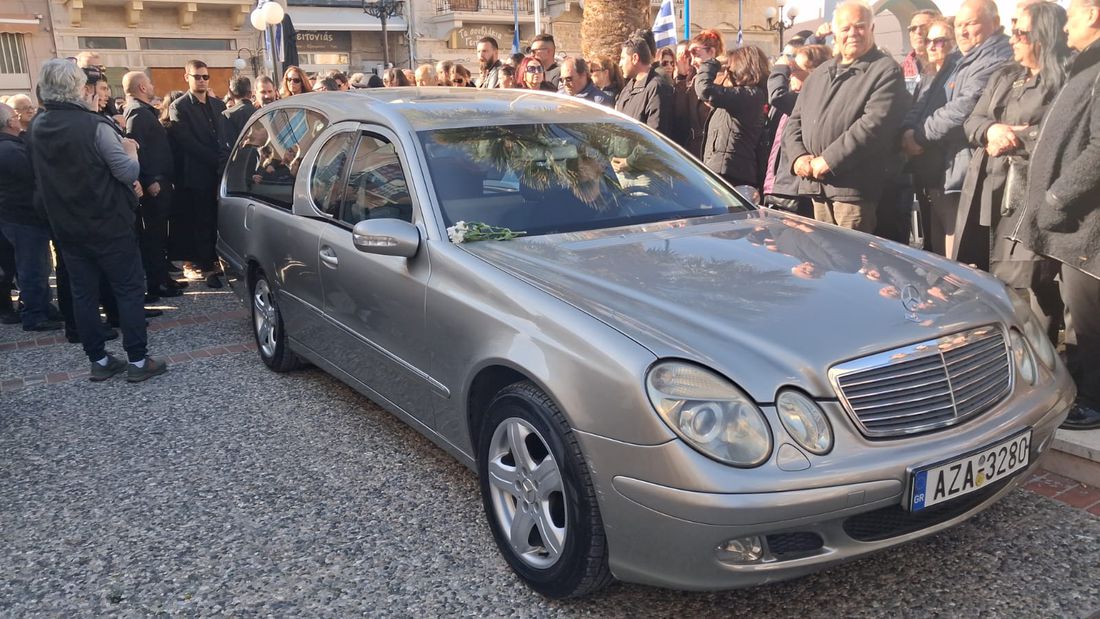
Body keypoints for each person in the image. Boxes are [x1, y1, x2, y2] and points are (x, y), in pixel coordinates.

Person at [30, 59, 168, 381]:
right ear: (78, 88)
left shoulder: (38, 125)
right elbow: (127, 171)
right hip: (108, 222)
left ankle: (99, 360)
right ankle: (137, 361)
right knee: (128, 290)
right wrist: (131, 150)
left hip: (66, 224)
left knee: (83, 294)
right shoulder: (94, 126)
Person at [956, 1, 1070, 345]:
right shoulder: (1006, 74)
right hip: (987, 190)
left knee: (1034, 285)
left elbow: (1065, 132)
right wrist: (991, 130)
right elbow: (973, 120)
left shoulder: (1065, 78)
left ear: (1043, 37)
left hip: (1027, 195)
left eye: (1021, 32)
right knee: (988, 276)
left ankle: (1041, 357)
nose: (1013, 38)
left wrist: (1020, 137)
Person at [1012, 0, 1100, 430]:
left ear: (1094, 14)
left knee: (1090, 321)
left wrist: (1056, 198)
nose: (1065, 26)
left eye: (1074, 14)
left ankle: (1095, 402)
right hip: (1073, 226)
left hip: (1087, 227)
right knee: (1078, 319)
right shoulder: (1086, 65)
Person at [783, 0, 909, 233]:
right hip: (815, 186)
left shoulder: (885, 70)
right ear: (835, 33)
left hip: (853, 191)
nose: (853, 33)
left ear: (872, 28)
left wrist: (828, 160)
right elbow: (794, 122)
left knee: (852, 254)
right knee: (821, 252)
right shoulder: (820, 73)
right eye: (845, 28)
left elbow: (874, 125)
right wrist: (798, 157)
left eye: (860, 26)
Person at [901, 0, 1013, 263]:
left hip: (962, 171)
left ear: (995, 23)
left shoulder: (992, 58)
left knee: (956, 263)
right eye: (960, 25)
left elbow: (962, 108)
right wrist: (908, 131)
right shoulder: (962, 61)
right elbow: (923, 105)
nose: (963, 31)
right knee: (939, 258)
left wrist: (919, 136)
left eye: (970, 24)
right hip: (941, 171)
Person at [169, 59, 228, 288]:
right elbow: (187, 142)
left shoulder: (218, 105)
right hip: (197, 173)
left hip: (219, 171)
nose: (202, 80)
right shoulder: (179, 106)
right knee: (201, 219)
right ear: (187, 77)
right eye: (197, 76)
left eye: (205, 76)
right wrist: (216, 159)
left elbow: (224, 136)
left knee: (217, 218)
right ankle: (206, 267)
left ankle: (217, 260)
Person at [0, 102, 59, 331]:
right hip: (23, 217)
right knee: (32, 268)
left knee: (40, 265)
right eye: (15, 116)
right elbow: (34, 176)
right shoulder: (10, 150)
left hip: (21, 216)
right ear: (10, 122)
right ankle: (34, 314)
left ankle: (43, 306)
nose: (18, 118)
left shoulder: (12, 146)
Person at [123, 71, 181, 302]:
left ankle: (164, 277)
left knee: (160, 234)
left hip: (160, 179)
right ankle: (157, 283)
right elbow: (135, 149)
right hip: (153, 183)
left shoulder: (143, 111)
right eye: (149, 82)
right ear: (142, 87)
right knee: (154, 236)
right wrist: (148, 180)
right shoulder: (137, 113)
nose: (152, 85)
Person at [903, 19, 960, 252]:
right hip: (924, 168)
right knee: (932, 243)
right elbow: (915, 109)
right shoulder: (928, 76)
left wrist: (918, 137)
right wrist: (908, 132)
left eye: (940, 41)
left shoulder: (958, 73)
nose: (932, 46)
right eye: (929, 41)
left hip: (948, 169)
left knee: (950, 243)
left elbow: (952, 114)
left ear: (953, 41)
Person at [763, 44, 833, 217]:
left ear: (814, 73)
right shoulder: (792, 99)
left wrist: (780, 68)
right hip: (776, 185)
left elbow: (777, 95)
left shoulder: (812, 99)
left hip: (793, 190)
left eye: (793, 70)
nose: (789, 75)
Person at [694, 40, 769, 189]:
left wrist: (712, 63)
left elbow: (704, 89)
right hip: (723, 170)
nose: (728, 73)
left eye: (731, 69)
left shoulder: (750, 95)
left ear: (742, 69)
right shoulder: (743, 95)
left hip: (731, 173)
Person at [616, 33, 674, 137]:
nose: (620, 64)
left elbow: (655, 135)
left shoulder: (657, 88)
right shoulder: (628, 88)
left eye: (623, 58)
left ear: (635, 58)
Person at [670, 39, 707, 157]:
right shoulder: (675, 83)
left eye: (688, 55)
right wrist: (680, 76)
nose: (685, 60)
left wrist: (686, 76)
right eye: (681, 56)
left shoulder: (700, 81)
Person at [903, 10, 942, 96]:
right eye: (913, 28)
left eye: (924, 27)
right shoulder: (901, 69)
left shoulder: (949, 64)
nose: (918, 32)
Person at [223, 76, 255, 148]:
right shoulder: (260, 112)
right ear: (250, 94)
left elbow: (227, 147)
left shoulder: (227, 115)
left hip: (237, 154)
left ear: (230, 94)